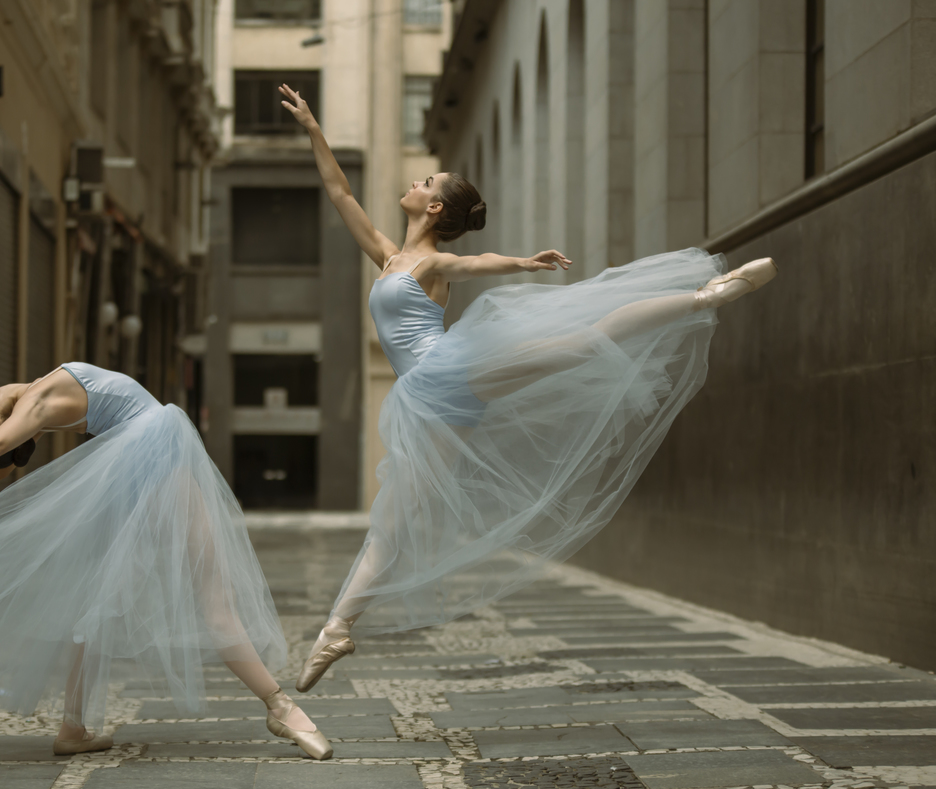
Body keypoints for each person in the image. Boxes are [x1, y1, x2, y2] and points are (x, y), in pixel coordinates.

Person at [275, 84, 779, 692]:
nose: (416, 181)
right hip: (428, 401)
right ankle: (337, 629)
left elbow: (472, 263)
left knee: (579, 342)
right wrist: (312, 128)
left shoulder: (432, 263)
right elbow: (340, 192)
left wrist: (522, 264)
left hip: (448, 372)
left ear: (433, 210)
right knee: (395, 522)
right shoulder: (388, 256)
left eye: (427, 181)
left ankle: (702, 296)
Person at [0, 362, 332, 759]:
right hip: (155, 455)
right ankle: (280, 707)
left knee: (96, 600)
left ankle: (73, 727)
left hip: (137, 465)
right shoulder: (37, 401)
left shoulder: (33, 397)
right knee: (212, 595)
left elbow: (2, 457)